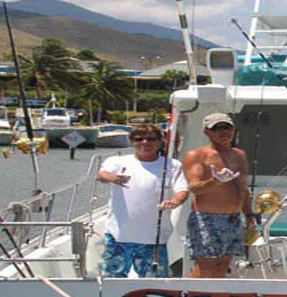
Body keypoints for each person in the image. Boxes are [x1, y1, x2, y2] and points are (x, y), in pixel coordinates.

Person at [96, 124, 189, 278]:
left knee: (155, 284)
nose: (145, 143)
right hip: (118, 236)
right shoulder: (117, 161)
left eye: (151, 139)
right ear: (132, 142)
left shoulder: (173, 165)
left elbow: (182, 190)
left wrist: (175, 201)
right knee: (111, 280)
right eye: (139, 139)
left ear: (160, 142)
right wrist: (113, 178)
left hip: (154, 240)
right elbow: (101, 175)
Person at [183, 113, 255, 278]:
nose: (223, 131)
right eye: (217, 128)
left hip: (234, 219)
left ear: (234, 129)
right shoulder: (196, 155)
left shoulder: (240, 155)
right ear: (207, 132)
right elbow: (195, 188)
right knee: (206, 269)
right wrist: (216, 181)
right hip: (207, 218)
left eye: (227, 127)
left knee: (223, 267)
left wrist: (249, 214)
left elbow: (242, 188)